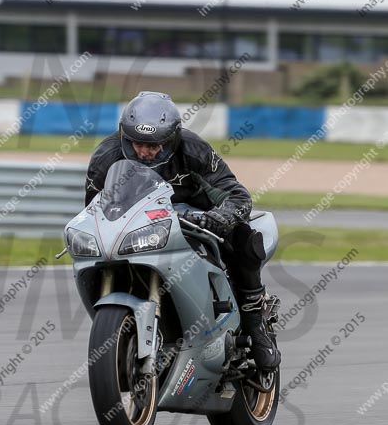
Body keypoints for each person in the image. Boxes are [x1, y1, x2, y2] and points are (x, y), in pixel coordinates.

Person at [84, 90, 281, 371]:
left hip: (195, 216)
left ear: (173, 139)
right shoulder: (106, 155)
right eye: (137, 143)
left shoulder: (193, 149)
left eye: (155, 145)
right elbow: (93, 207)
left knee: (244, 238)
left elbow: (237, 196)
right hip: (138, 224)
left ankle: (254, 325)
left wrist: (218, 218)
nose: (145, 151)